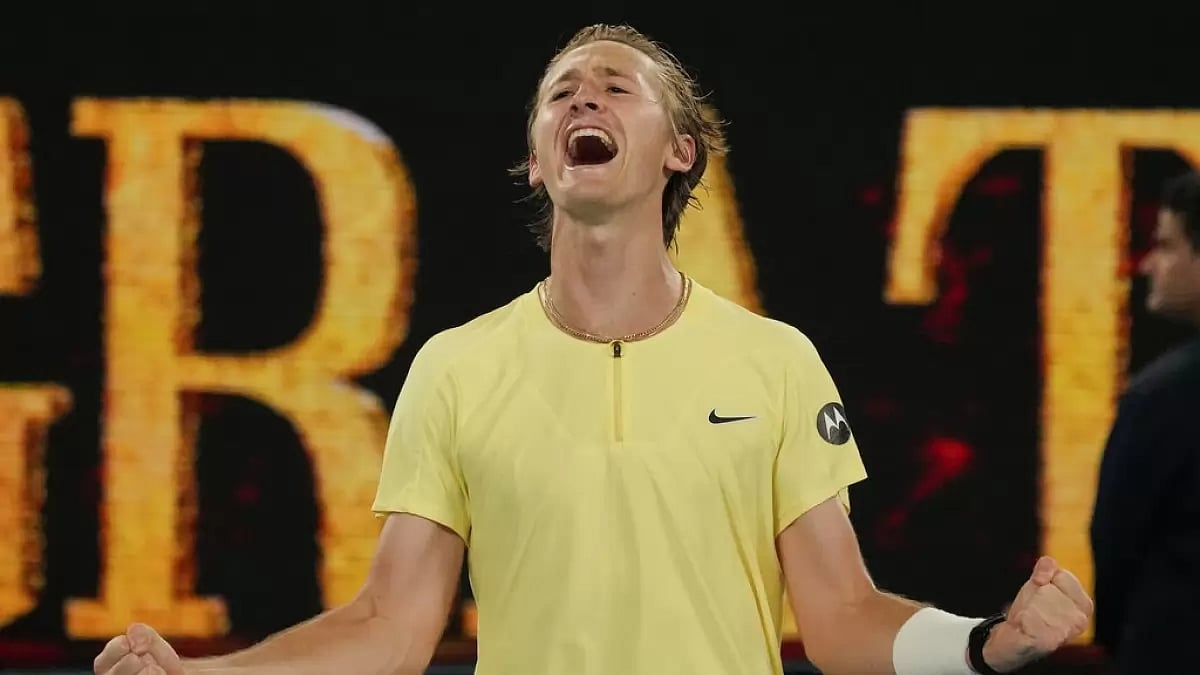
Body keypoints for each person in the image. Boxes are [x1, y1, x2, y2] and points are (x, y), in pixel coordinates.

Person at [94, 24, 1092, 675]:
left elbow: (838, 616)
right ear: (537, 160)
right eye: (561, 94)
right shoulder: (456, 367)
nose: (583, 102)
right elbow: (392, 628)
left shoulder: (775, 361)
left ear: (679, 150)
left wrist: (985, 645)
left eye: (615, 88)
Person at [1090, 170, 1200, 674]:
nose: (1149, 264)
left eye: (1166, 244)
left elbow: (1116, 542)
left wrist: (1126, 635)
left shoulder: (1164, 398)